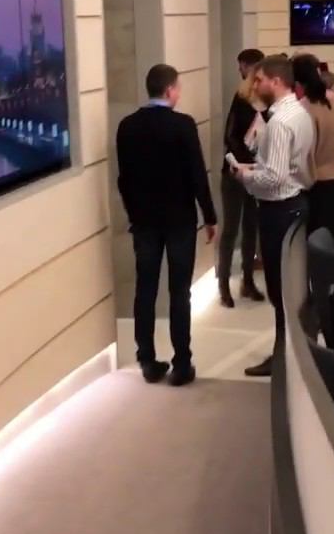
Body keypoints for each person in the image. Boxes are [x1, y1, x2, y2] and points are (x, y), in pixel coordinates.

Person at [116, 64, 217, 387]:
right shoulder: (183, 125)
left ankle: (146, 358)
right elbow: (197, 175)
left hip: (144, 222)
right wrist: (210, 216)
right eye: (178, 88)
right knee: (179, 292)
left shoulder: (127, 126)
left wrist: (133, 213)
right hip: (179, 221)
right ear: (170, 90)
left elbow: (124, 180)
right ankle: (181, 362)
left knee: (145, 289)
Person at [235, 55, 315, 377]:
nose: (254, 85)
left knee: (281, 291)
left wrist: (245, 176)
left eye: (259, 80)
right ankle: (292, 354)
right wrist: (258, 169)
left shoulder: (280, 121)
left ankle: (284, 358)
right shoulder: (299, 112)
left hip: (279, 210)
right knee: (290, 289)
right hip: (294, 204)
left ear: (276, 81)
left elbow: (275, 177)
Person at [217, 55, 267, 308]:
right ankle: (223, 284)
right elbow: (230, 136)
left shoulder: (269, 105)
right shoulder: (241, 100)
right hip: (235, 172)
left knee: (251, 228)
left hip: (257, 172)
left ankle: (247, 281)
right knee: (230, 229)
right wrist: (244, 158)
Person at [296, 54, 334, 252]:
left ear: (296, 83)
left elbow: (305, 153)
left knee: (320, 253)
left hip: (320, 187)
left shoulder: (304, 107)